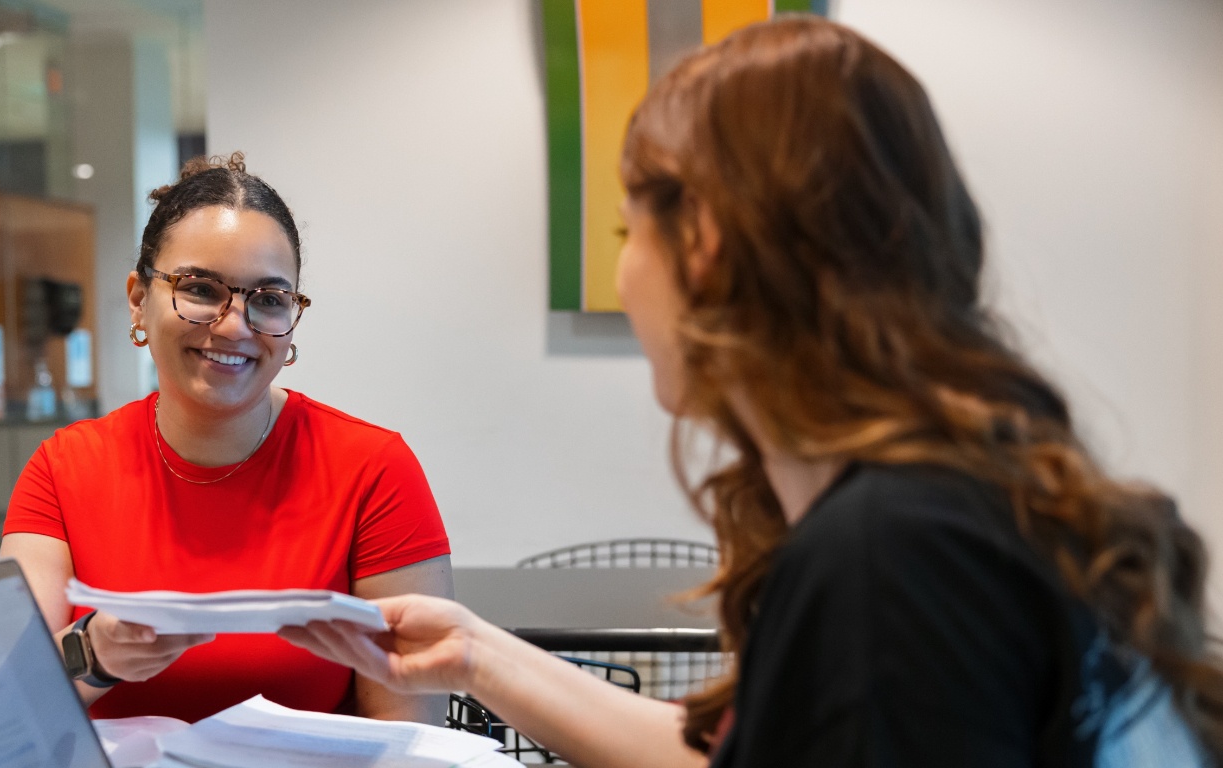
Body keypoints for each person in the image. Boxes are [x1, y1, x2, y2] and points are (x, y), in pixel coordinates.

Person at [279, 16, 1223, 767]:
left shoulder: (890, 559)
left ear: (708, 245)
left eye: (626, 239)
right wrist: (477, 654)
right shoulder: (945, 506)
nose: (627, 279)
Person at [1, 153, 453, 725]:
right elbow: (7, 703)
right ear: (139, 299)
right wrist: (94, 654)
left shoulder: (373, 468)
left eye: (268, 299)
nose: (235, 324)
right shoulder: (63, 469)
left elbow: (409, 736)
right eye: (199, 288)